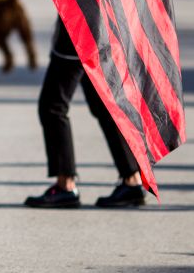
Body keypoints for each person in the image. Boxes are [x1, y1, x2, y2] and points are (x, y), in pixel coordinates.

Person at [24, 17, 145, 208]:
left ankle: (65, 185)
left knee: (52, 105)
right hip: (97, 21)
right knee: (100, 104)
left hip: (78, 19)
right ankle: (132, 180)